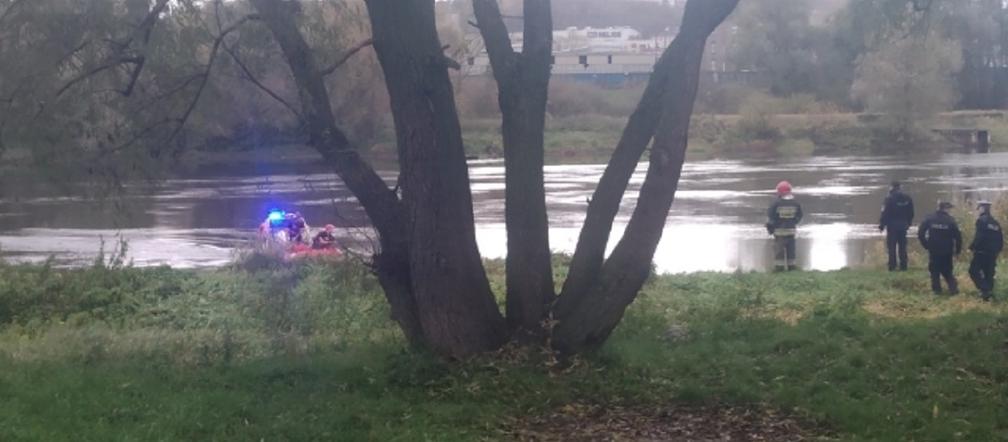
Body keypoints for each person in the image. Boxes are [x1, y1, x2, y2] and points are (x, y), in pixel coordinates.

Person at [918, 201, 962, 295]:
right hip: (947, 250)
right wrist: (957, 251)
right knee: (947, 270)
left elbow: (921, 233)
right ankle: (953, 288)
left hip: (934, 249)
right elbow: (958, 237)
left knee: (934, 270)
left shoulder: (930, 218)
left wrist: (926, 245)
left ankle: (937, 291)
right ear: (946, 209)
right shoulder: (951, 220)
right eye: (949, 209)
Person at [968, 201, 1003, 301]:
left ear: (982, 208)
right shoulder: (995, 222)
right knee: (989, 273)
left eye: (979, 208)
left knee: (973, 271)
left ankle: (985, 289)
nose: (978, 210)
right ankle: (988, 294)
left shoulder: (981, 221)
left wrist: (972, 246)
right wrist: (997, 250)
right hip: (992, 253)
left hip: (981, 252)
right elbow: (1000, 239)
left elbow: (980, 236)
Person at [766, 181, 803, 271]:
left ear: (779, 192)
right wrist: (793, 222)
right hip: (791, 231)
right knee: (791, 251)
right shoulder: (796, 203)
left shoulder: (776, 204)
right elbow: (800, 215)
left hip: (779, 232)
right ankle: (792, 268)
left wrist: (771, 227)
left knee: (779, 251)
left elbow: (771, 216)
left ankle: (779, 268)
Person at [879, 181, 915, 271]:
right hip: (903, 226)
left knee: (891, 247)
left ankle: (892, 266)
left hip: (892, 227)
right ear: (900, 187)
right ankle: (904, 266)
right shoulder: (907, 198)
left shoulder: (889, 199)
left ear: (891, 187)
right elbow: (911, 212)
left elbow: (885, 213)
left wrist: (882, 225)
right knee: (903, 246)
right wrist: (909, 223)